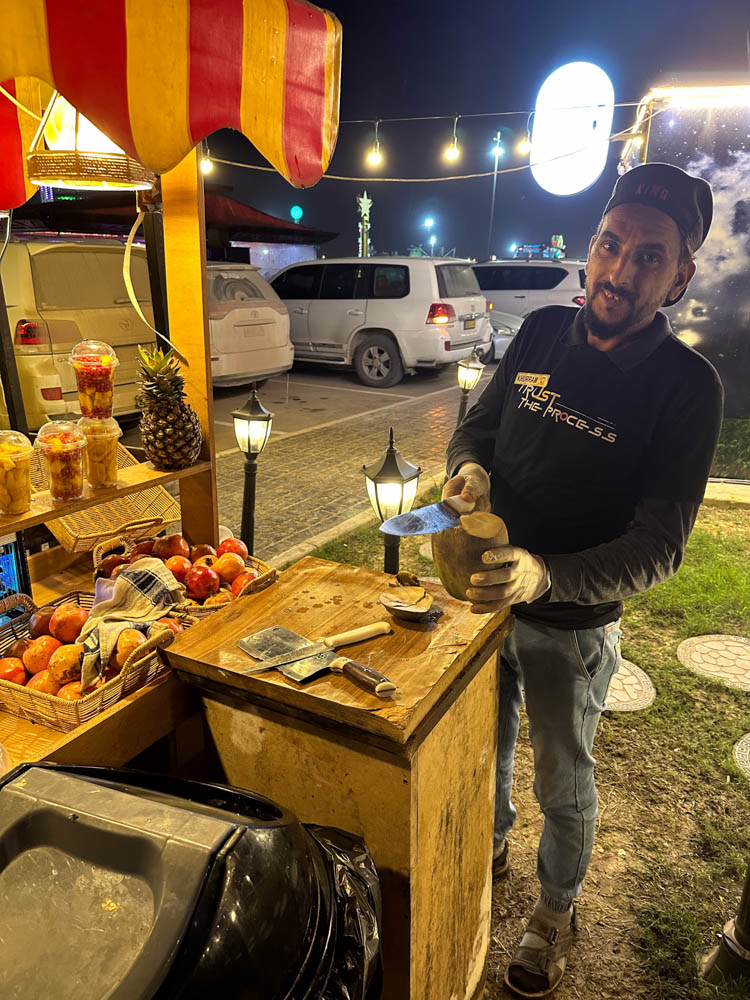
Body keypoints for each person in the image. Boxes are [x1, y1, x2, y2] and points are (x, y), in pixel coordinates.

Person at [444, 163, 723, 998]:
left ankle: (554, 913)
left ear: (680, 274)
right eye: (610, 246)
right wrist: (465, 472)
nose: (618, 271)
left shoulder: (686, 387)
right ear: (589, 248)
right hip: (486, 602)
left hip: (574, 623)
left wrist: (545, 576)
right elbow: (478, 426)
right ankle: (491, 845)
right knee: (483, 746)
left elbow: (660, 544)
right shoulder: (536, 334)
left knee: (562, 779)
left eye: (648, 256)